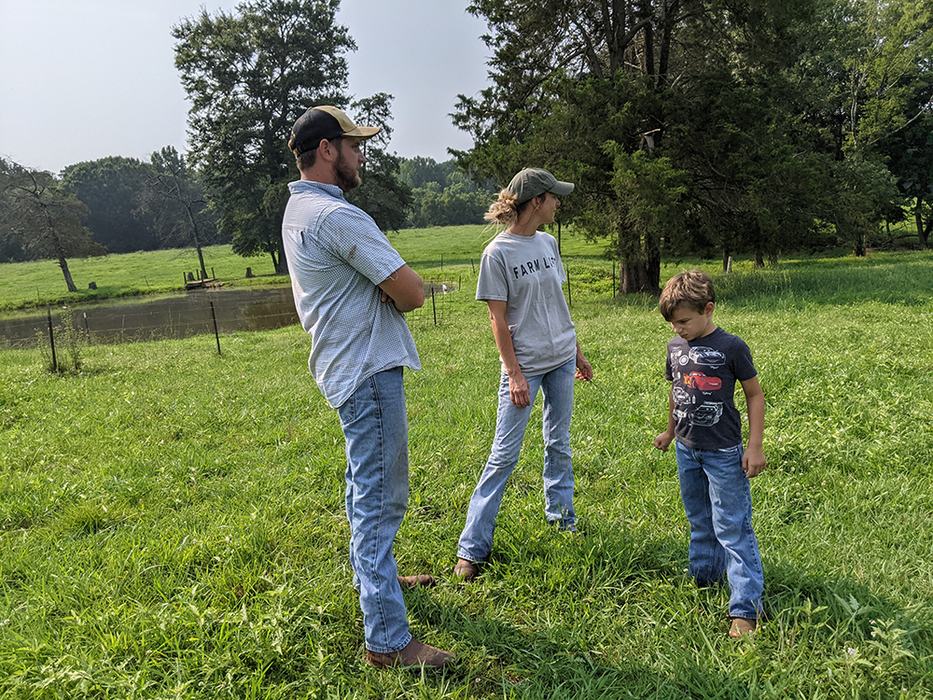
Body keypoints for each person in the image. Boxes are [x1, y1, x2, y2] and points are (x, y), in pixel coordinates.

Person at [282, 105, 453, 668]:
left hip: (344, 367)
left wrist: (379, 288)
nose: (361, 155)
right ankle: (387, 640)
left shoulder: (297, 208)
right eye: (355, 145)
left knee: (366, 490)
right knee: (380, 501)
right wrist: (389, 288)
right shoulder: (337, 216)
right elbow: (413, 293)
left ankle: (380, 579)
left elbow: (391, 288)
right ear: (328, 149)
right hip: (367, 370)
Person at [454, 167, 593, 581]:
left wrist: (577, 351)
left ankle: (561, 520)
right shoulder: (497, 254)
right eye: (554, 197)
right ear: (537, 202)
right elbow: (498, 321)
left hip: (561, 357)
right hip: (526, 367)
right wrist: (514, 374)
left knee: (559, 442)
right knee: (504, 455)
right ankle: (471, 548)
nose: (558, 204)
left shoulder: (549, 243)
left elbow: (557, 304)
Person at [652, 270, 766, 638]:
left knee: (732, 526)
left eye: (684, 321)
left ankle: (744, 608)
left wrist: (754, 446)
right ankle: (705, 580)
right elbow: (676, 392)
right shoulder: (674, 347)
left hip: (723, 453)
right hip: (687, 450)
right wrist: (670, 432)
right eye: (673, 324)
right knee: (699, 519)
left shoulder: (732, 347)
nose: (679, 329)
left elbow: (754, 395)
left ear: (709, 309)